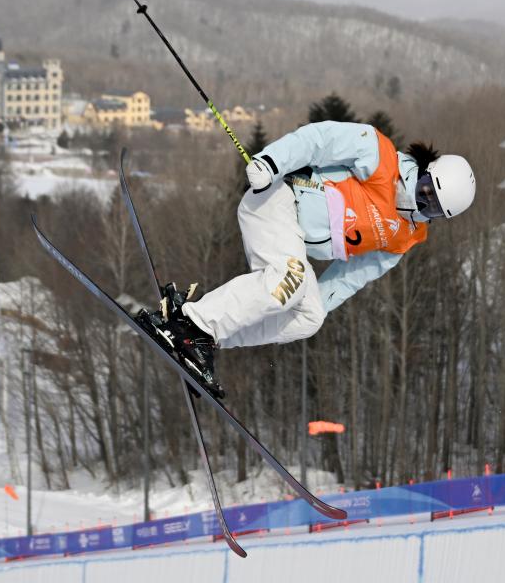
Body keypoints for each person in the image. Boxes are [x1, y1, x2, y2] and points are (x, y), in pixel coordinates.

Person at [144, 121, 475, 395]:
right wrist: (271, 162)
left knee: (310, 317)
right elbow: (319, 139)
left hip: (292, 237)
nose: (421, 203)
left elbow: (350, 277)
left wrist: (312, 300)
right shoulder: (379, 154)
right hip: (278, 198)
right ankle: (193, 325)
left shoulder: (404, 237)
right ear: (425, 170)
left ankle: (203, 338)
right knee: (289, 279)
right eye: (425, 190)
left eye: (432, 208)